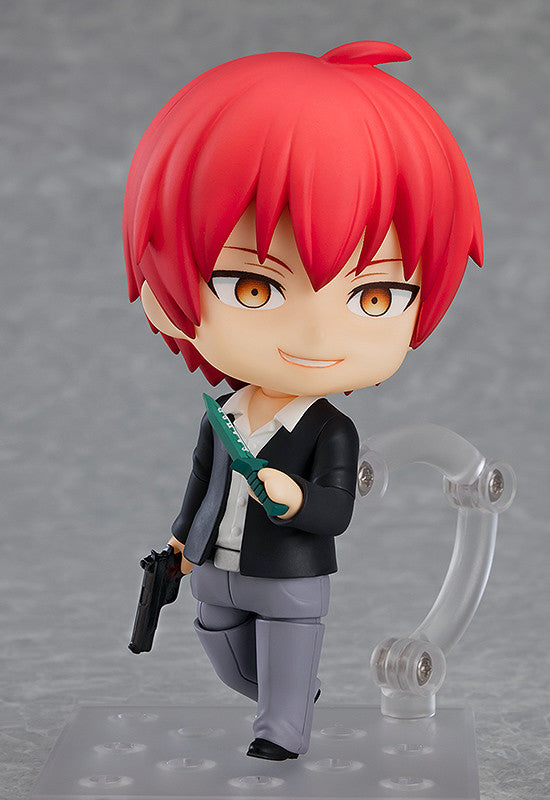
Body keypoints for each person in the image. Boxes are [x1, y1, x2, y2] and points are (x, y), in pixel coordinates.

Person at [123, 41, 483, 760]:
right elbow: (202, 481)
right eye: (255, 287)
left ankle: (282, 731)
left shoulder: (330, 431)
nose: (317, 334)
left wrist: (296, 499)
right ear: (166, 293)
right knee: (227, 658)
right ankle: (285, 698)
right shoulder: (221, 415)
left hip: (290, 574)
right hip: (216, 569)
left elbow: (337, 510)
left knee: (284, 669)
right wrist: (181, 542)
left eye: (374, 296)